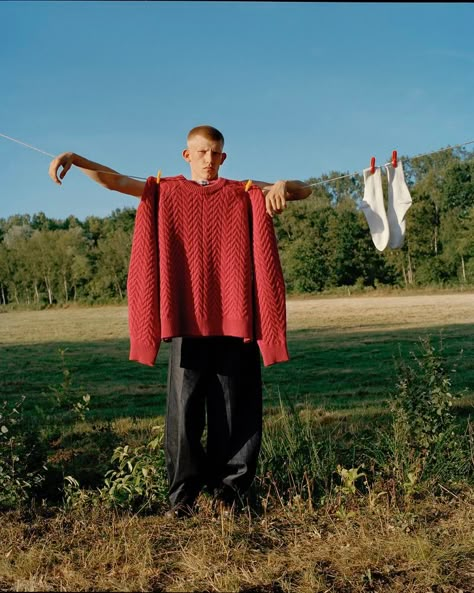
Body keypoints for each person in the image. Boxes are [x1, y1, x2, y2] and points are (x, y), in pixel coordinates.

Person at [49, 125, 311, 517]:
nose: (209, 160)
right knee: (182, 416)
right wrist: (76, 158)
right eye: (202, 152)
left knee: (235, 411)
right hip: (185, 325)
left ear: (224, 158)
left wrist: (283, 184)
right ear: (186, 155)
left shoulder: (244, 191)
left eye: (216, 153)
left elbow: (303, 191)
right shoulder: (165, 189)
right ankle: (182, 500)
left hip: (235, 323)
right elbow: (115, 181)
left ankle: (231, 497)